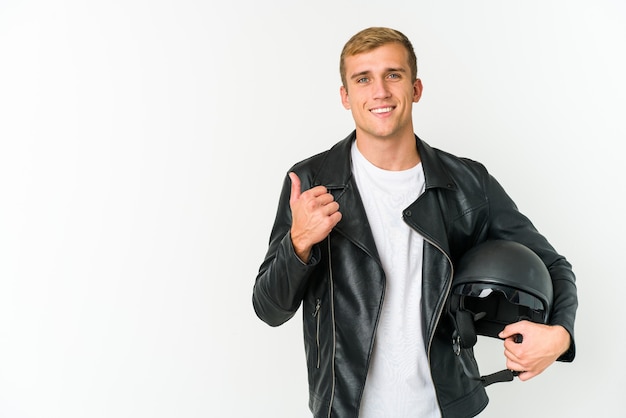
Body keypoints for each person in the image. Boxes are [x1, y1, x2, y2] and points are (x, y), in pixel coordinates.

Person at [252, 27, 577, 418]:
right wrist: (298, 244)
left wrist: (560, 336)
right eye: (363, 79)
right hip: (344, 409)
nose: (380, 92)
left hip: (445, 409)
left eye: (393, 75)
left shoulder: (469, 184)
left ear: (416, 87)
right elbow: (269, 309)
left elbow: (554, 265)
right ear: (345, 96)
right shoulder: (311, 182)